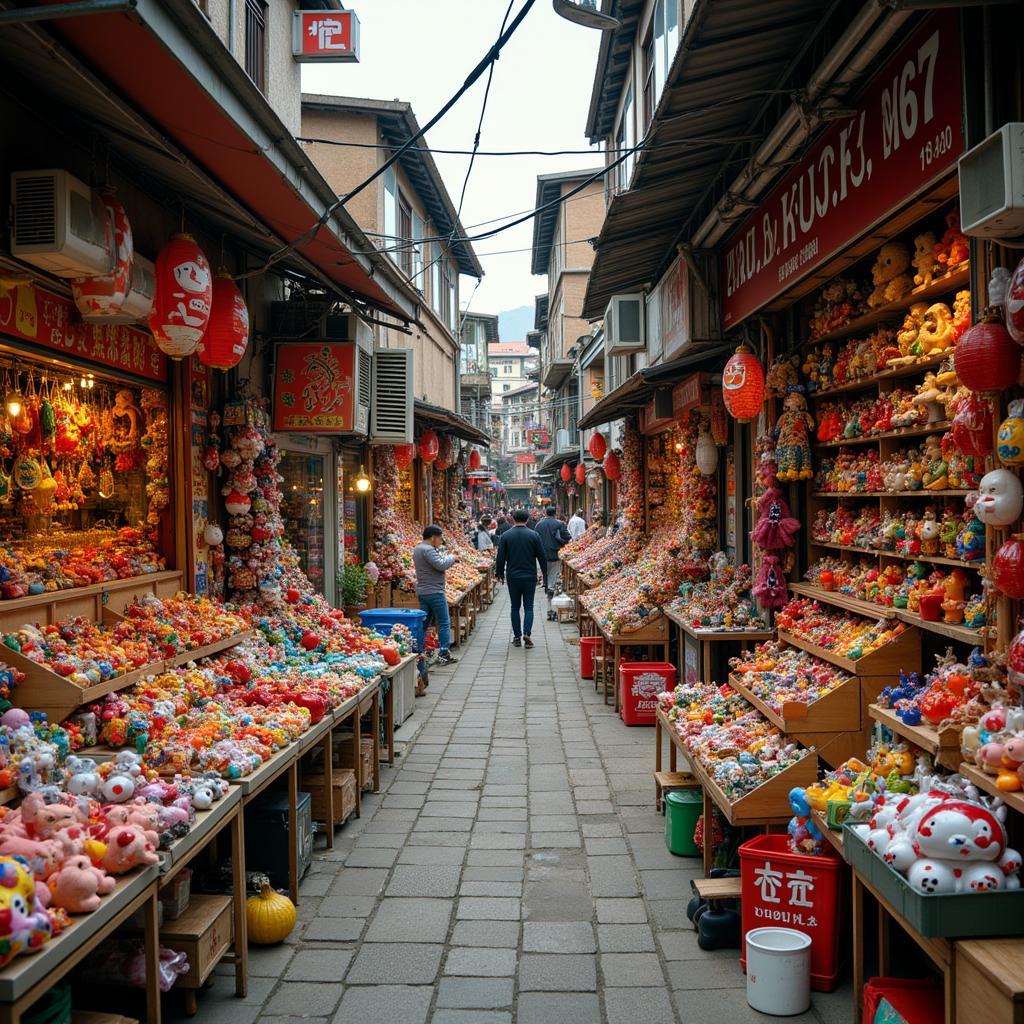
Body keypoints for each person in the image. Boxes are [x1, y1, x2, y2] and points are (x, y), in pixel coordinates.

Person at [494, 508, 547, 648]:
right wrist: (545, 574)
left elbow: (500, 557)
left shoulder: (506, 536)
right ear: (528, 519)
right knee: (529, 607)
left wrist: (499, 573)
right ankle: (527, 634)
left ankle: (517, 637)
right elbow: (542, 557)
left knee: (515, 607)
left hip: (513, 577)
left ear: (512, 519)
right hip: (530, 576)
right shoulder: (534, 535)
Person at [413, 525, 458, 666]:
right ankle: (444, 653)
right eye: (440, 538)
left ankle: (418, 651)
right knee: (444, 622)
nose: (441, 541)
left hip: (423, 591)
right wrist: (452, 558)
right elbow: (441, 565)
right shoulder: (428, 549)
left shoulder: (418, 548)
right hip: (435, 592)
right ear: (433, 537)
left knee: (424, 624)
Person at [535, 506, 572, 620]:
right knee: (553, 578)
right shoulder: (559, 524)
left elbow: (535, 540)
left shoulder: (538, 525)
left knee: (546, 577)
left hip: (541, 556)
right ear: (555, 513)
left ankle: (549, 605)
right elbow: (567, 537)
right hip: (555, 555)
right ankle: (551, 607)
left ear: (545, 513)